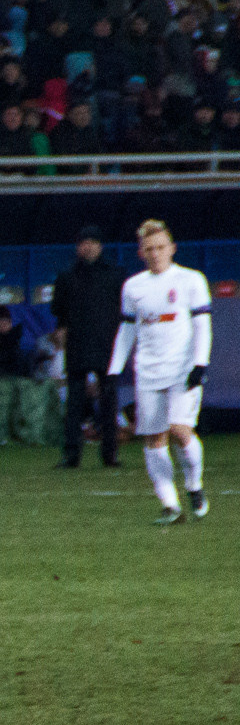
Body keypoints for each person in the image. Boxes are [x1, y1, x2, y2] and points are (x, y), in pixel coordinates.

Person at [108, 219, 213, 523]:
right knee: (154, 438)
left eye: (161, 247)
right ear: (141, 252)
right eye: (149, 249)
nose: (155, 254)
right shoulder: (133, 287)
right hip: (148, 372)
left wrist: (200, 363)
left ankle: (194, 484)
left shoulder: (191, 280)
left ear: (172, 249)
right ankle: (171, 505)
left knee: (180, 431)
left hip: (182, 370)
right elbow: (127, 331)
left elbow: (202, 326)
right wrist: (114, 370)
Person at [53, 227, 128, 471]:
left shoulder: (116, 275)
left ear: (100, 246)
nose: (88, 247)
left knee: (108, 403)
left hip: (108, 346)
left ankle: (110, 454)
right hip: (77, 346)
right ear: (77, 247)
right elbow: (60, 315)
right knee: (74, 405)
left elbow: (124, 314)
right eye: (83, 242)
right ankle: (71, 456)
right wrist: (62, 338)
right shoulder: (66, 276)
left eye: (93, 242)